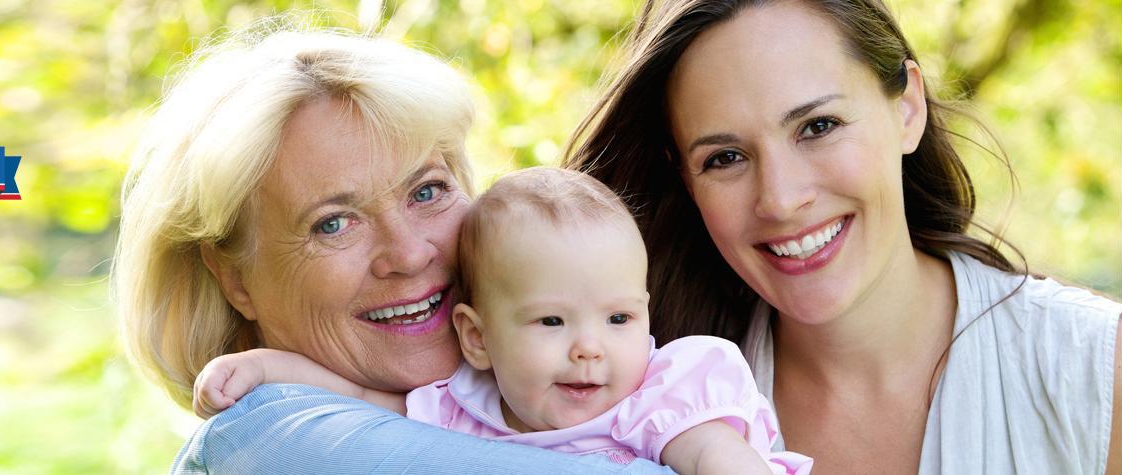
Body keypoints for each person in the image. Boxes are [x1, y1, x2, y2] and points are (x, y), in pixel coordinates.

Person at [563, 0, 1122, 473]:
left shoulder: (1098, 371)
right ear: (684, 178)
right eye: (726, 157)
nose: (781, 199)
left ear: (906, 107)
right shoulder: (624, 396)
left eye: (818, 126)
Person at [115, 25, 672, 473]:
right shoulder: (271, 432)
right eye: (333, 223)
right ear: (234, 279)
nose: (408, 254)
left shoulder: (528, 387)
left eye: (426, 191)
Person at [195, 167, 815, 474]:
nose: (589, 349)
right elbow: (359, 397)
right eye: (551, 322)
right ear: (476, 337)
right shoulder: (463, 405)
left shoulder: (659, 394)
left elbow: (718, 458)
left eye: (620, 317)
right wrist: (262, 368)